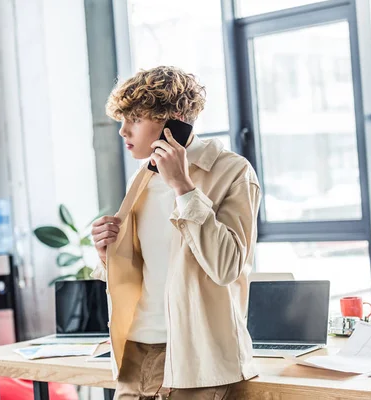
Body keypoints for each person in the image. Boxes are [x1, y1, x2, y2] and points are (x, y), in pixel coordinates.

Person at [91, 66, 261, 399]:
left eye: (135, 119)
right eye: (122, 120)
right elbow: (145, 269)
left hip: (198, 358)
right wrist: (106, 251)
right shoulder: (142, 176)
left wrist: (184, 188)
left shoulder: (232, 171)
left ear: (175, 118)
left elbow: (227, 267)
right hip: (136, 351)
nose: (123, 131)